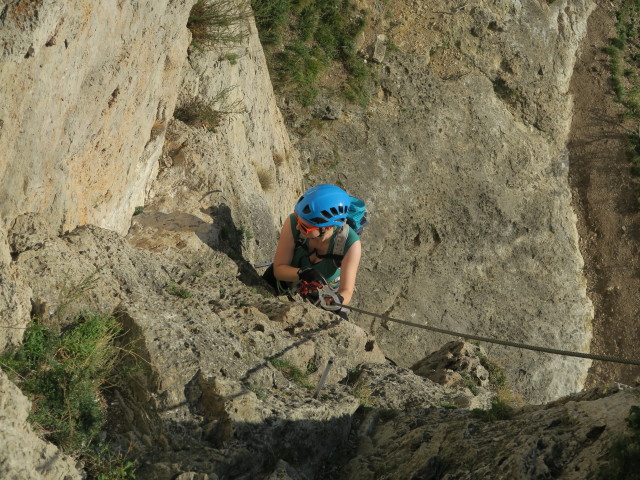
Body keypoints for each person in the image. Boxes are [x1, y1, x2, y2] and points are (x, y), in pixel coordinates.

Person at [263, 184, 362, 313]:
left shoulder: (351, 244)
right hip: (285, 282)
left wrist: (338, 299)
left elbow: (347, 291)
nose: (298, 227)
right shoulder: (293, 222)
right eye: (298, 219)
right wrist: (303, 273)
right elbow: (279, 269)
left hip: (323, 299)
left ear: (327, 227)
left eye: (305, 227)